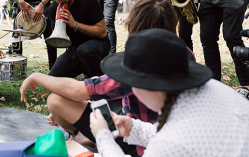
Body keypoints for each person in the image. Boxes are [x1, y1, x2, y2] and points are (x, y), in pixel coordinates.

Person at [20, 0, 194, 157]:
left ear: (135, 26)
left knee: (56, 100)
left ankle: (85, 136)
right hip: (166, 133)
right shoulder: (186, 54)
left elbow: (78, 90)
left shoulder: (140, 62)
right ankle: (85, 134)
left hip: (137, 143)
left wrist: (37, 76)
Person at [90, 28, 249, 157]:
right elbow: (188, 136)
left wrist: (103, 136)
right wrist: (133, 129)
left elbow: (176, 139)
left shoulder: (170, 142)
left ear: (145, 87)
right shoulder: (212, 88)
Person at [48, 0, 110, 78]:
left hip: (98, 44)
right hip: (74, 49)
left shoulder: (89, 1)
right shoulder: (53, 8)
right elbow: (55, 33)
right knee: (52, 78)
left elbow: (102, 32)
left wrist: (76, 25)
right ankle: (84, 67)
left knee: (85, 50)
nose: (60, 0)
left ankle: (98, 78)